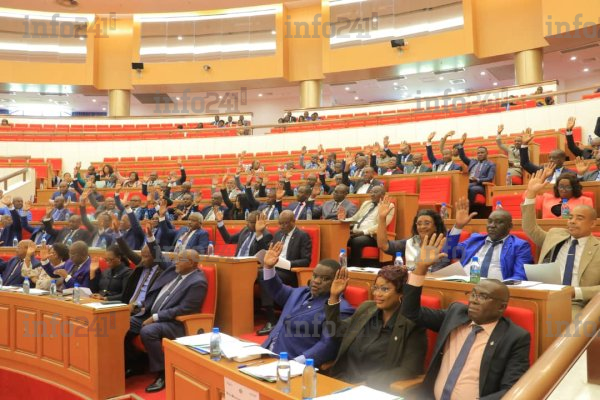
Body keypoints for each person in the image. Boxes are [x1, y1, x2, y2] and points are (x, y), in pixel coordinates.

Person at [402, 234, 531, 399]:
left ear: (501, 307)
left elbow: (511, 389)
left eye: (483, 297)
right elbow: (411, 312)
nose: (474, 300)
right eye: (473, 294)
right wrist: (420, 269)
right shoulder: (456, 314)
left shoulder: (514, 337)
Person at [326, 265, 426, 389]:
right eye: (376, 288)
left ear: (401, 292)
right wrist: (334, 296)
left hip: (375, 389)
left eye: (384, 289)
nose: (377, 294)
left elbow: (409, 370)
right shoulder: (366, 308)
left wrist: (367, 384)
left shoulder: (412, 324)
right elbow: (337, 332)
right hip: (343, 382)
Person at [125, 241, 207, 393]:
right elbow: (159, 256)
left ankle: (163, 373)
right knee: (122, 324)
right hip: (150, 314)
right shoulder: (175, 271)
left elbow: (185, 309)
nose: (175, 262)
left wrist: (156, 317)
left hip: (176, 323)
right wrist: (151, 238)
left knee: (148, 331)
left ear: (191, 263)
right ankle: (136, 364)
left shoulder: (198, 282)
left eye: (179, 260)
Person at [260, 241, 354, 366]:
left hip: (292, 363)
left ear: (337, 281)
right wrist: (268, 267)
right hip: (266, 352)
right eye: (315, 276)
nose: (316, 281)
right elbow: (276, 289)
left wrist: (296, 363)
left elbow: (328, 345)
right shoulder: (302, 292)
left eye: (325, 279)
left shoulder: (340, 309)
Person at [522, 169, 600, 315]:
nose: (572, 221)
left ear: (593, 224)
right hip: (545, 295)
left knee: (565, 323)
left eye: (579, 218)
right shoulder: (555, 235)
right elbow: (529, 228)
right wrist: (531, 194)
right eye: (570, 217)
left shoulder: (598, 247)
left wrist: (575, 292)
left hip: (576, 302)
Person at [445, 197, 532, 280]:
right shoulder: (475, 240)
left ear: (510, 226)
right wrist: (458, 226)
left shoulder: (520, 246)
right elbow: (448, 253)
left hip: (497, 288)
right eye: (490, 221)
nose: (492, 225)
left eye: (499, 222)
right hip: (465, 284)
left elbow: (520, 277)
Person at [257, 210, 312, 335]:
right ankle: (266, 314)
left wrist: (287, 264)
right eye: (280, 223)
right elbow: (269, 249)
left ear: (293, 221)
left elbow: (306, 260)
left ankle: (271, 320)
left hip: (291, 272)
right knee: (260, 272)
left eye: (285, 223)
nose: (282, 226)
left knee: (263, 274)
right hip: (276, 268)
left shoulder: (302, 236)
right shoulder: (278, 234)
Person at [377, 196, 451, 271]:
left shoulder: (442, 246)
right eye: (419, 224)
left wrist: (409, 269)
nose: (422, 227)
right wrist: (382, 218)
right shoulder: (411, 242)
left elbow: (435, 273)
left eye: (427, 223)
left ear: (436, 226)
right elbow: (384, 245)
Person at [117, 225, 167, 313]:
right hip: (127, 306)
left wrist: (137, 305)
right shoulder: (142, 263)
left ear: (155, 256)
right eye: (142, 256)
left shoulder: (162, 272)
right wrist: (117, 233)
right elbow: (127, 252)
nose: (143, 260)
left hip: (142, 310)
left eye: (146, 256)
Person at [342, 186, 394, 267]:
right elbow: (355, 218)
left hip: (373, 236)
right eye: (371, 192)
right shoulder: (367, 203)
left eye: (375, 192)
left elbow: (382, 225)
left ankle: (354, 267)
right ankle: (342, 265)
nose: (372, 194)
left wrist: (363, 232)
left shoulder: (389, 206)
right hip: (356, 232)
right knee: (341, 238)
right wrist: (343, 219)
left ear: (383, 195)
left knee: (356, 241)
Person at [457, 133, 496, 204]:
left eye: (482, 152)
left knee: (469, 188)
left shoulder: (491, 164)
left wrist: (478, 179)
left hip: (480, 185)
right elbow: (462, 157)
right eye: (478, 153)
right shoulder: (472, 162)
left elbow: (490, 178)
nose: (480, 154)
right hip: (469, 182)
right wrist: (460, 145)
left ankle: (469, 208)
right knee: (459, 187)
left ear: (487, 153)